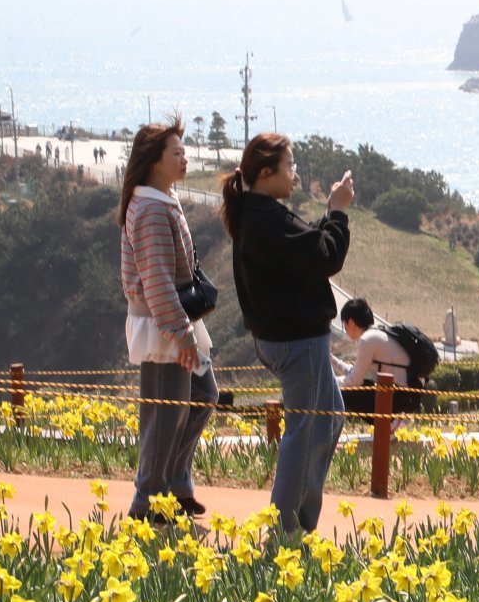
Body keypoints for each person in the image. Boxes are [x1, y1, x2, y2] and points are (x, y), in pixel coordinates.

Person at [223, 133, 353, 537]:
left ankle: (298, 520)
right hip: (298, 343)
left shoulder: (258, 214)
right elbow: (325, 255)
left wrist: (330, 216)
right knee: (304, 432)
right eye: (289, 166)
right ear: (266, 173)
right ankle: (285, 530)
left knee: (329, 420)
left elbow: (306, 246)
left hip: (283, 339)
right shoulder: (266, 219)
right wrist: (338, 212)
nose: (294, 175)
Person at [118, 117, 217, 522]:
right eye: (176, 152)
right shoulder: (151, 210)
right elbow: (157, 277)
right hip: (164, 323)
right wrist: (180, 334)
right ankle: (149, 500)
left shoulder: (160, 200)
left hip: (176, 317)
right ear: (155, 161)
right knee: (166, 412)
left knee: (201, 398)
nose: (184, 158)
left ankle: (173, 484)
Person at [335, 298, 422, 418]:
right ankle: (391, 425)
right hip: (405, 394)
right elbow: (354, 374)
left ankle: (391, 425)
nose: (345, 330)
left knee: (340, 393)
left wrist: (330, 382)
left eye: (345, 325)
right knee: (356, 387)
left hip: (398, 397)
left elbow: (355, 380)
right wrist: (331, 359)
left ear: (351, 322)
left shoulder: (368, 339)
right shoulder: (376, 334)